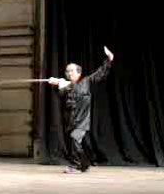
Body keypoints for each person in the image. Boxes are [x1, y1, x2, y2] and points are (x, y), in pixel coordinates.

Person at [48, 46, 115, 174]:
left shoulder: (87, 81)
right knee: (74, 143)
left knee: (74, 139)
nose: (69, 73)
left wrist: (109, 60)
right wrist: (57, 84)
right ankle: (84, 165)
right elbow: (61, 96)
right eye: (67, 72)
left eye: (72, 71)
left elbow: (100, 73)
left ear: (79, 72)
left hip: (82, 120)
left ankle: (77, 166)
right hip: (70, 120)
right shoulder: (66, 86)